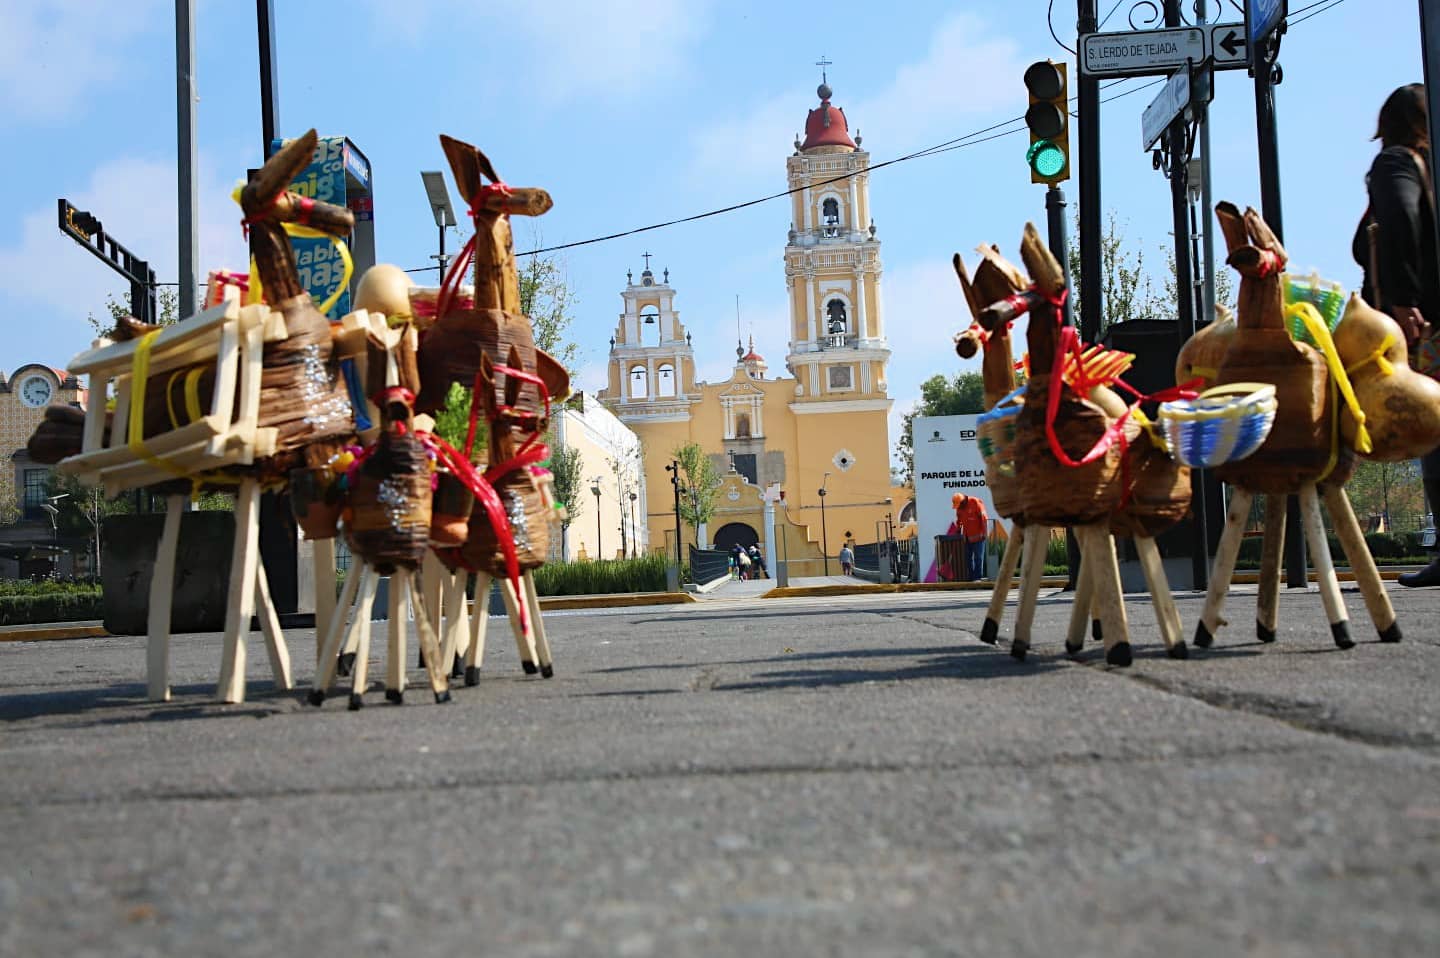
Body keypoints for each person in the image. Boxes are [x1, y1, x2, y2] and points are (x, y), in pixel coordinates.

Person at [1354, 84, 1440, 586]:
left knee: (1428, 426)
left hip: (1424, 322)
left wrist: (1403, 300)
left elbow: (1401, 216)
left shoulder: (1397, 164)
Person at [952, 493, 989, 581]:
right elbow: (959, 520)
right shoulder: (959, 508)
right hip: (967, 538)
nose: (958, 507)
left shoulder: (975, 502)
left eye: (959, 505)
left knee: (978, 558)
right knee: (968, 559)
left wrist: (984, 533)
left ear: (963, 501)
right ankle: (971, 578)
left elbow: (983, 518)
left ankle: (977, 578)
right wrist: (958, 529)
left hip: (978, 537)